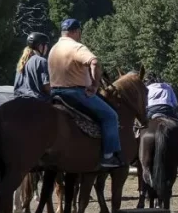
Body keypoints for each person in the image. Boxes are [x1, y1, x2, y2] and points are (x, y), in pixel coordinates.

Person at [48, 18, 123, 169]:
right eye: (79, 32)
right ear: (76, 31)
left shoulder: (54, 49)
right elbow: (94, 62)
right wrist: (95, 85)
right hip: (75, 93)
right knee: (110, 116)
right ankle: (108, 156)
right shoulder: (76, 47)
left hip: (55, 92)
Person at [13, 32, 51, 100]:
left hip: (18, 99)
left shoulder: (22, 61)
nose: (47, 48)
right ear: (40, 46)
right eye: (46, 45)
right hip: (36, 100)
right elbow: (46, 86)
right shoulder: (41, 61)